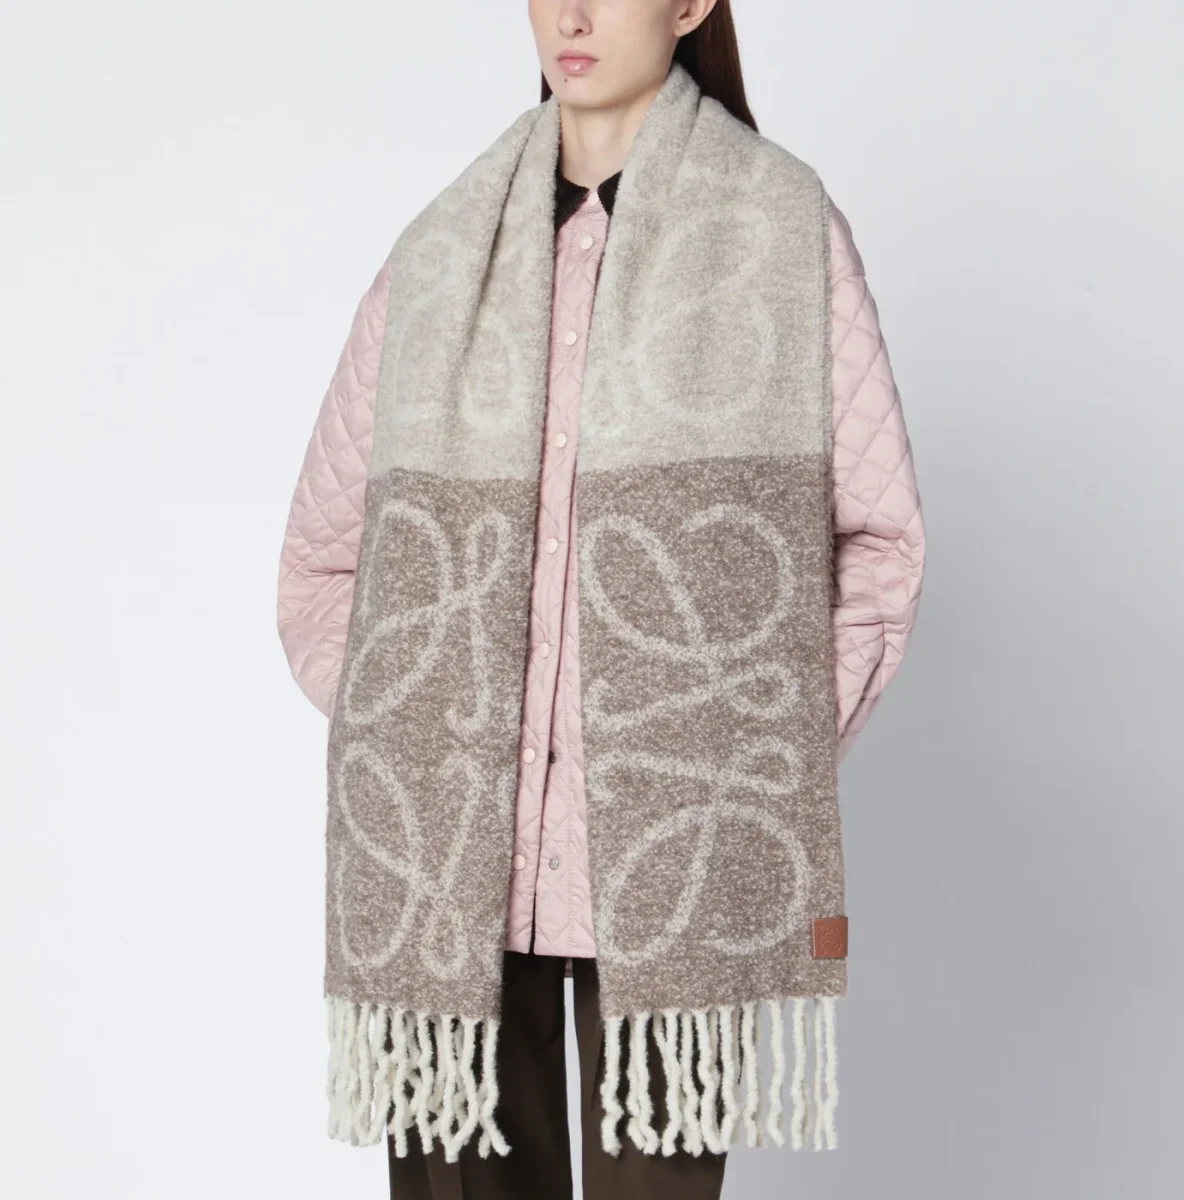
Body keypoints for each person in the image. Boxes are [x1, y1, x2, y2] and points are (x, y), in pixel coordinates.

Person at [276, 3, 925, 1197]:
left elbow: (879, 548)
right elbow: (324, 560)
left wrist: (748, 754)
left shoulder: (783, 232)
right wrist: (406, 729)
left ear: (690, 5)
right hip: (447, 865)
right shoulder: (437, 254)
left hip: (681, 865)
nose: (571, 15)